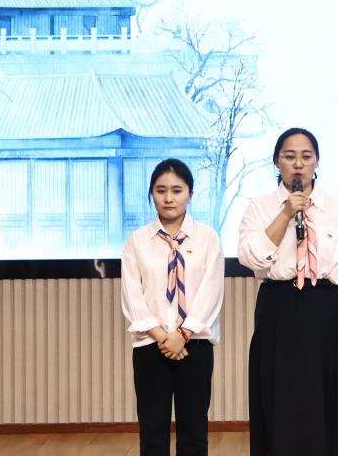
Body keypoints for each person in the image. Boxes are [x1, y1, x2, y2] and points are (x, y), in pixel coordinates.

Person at [238, 127, 338, 456]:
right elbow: (251, 258)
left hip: (322, 307)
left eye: (306, 156)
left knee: (321, 397)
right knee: (277, 395)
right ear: (276, 162)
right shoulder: (259, 207)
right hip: (277, 307)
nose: (298, 163)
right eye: (289, 156)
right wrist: (286, 213)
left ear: (316, 161)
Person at [121, 158, 225, 456]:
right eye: (160, 190)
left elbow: (211, 292)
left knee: (194, 433)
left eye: (177, 190)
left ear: (189, 193)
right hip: (150, 345)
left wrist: (183, 333)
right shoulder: (137, 241)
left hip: (195, 345)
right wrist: (162, 336)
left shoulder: (208, 238)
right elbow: (132, 295)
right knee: (152, 434)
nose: (168, 198)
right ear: (151, 194)